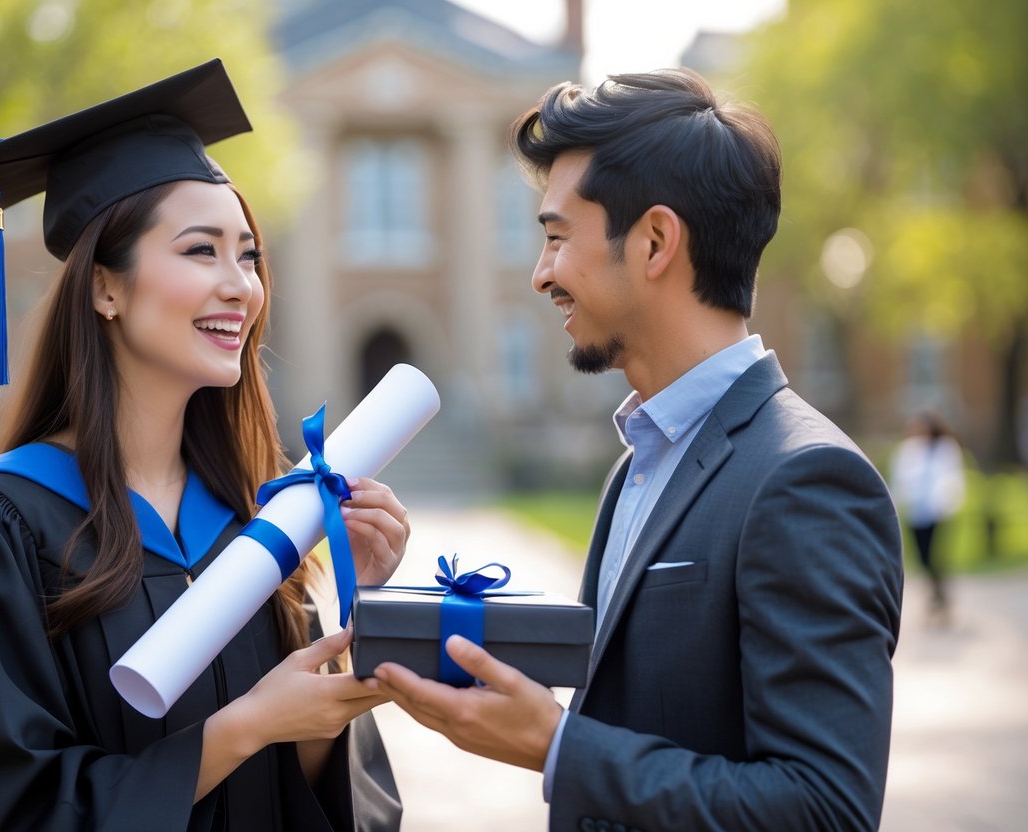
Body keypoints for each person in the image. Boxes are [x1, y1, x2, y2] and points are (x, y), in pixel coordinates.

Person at [0, 60, 405, 831]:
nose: (241, 287)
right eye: (200, 251)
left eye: (249, 255)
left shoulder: (253, 519)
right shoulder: (2, 524)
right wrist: (242, 728)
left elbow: (329, 794)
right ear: (105, 288)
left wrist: (353, 633)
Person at [369, 69, 904, 831]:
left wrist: (557, 746)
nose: (539, 273)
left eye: (556, 237)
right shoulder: (637, 465)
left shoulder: (806, 480)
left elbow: (822, 810)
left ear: (654, 241)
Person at [890, 410, 966, 620]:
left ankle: (939, 599)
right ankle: (936, 594)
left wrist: (949, 501)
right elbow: (900, 480)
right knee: (923, 557)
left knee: (936, 556)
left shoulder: (944, 449)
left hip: (937, 511)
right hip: (916, 513)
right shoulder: (907, 451)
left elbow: (952, 477)